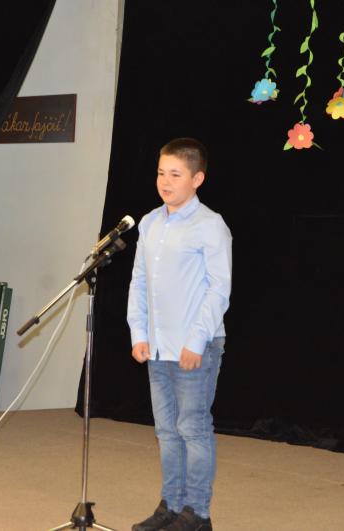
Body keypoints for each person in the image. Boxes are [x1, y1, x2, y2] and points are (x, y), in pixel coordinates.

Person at [127, 137, 232, 531]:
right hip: (157, 346)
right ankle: (171, 505)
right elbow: (139, 282)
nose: (165, 181)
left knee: (193, 428)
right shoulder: (150, 223)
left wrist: (196, 340)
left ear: (197, 179)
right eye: (161, 173)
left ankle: (197, 513)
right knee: (167, 431)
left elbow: (218, 289)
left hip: (195, 347)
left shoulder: (210, 225)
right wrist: (139, 332)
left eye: (175, 174)